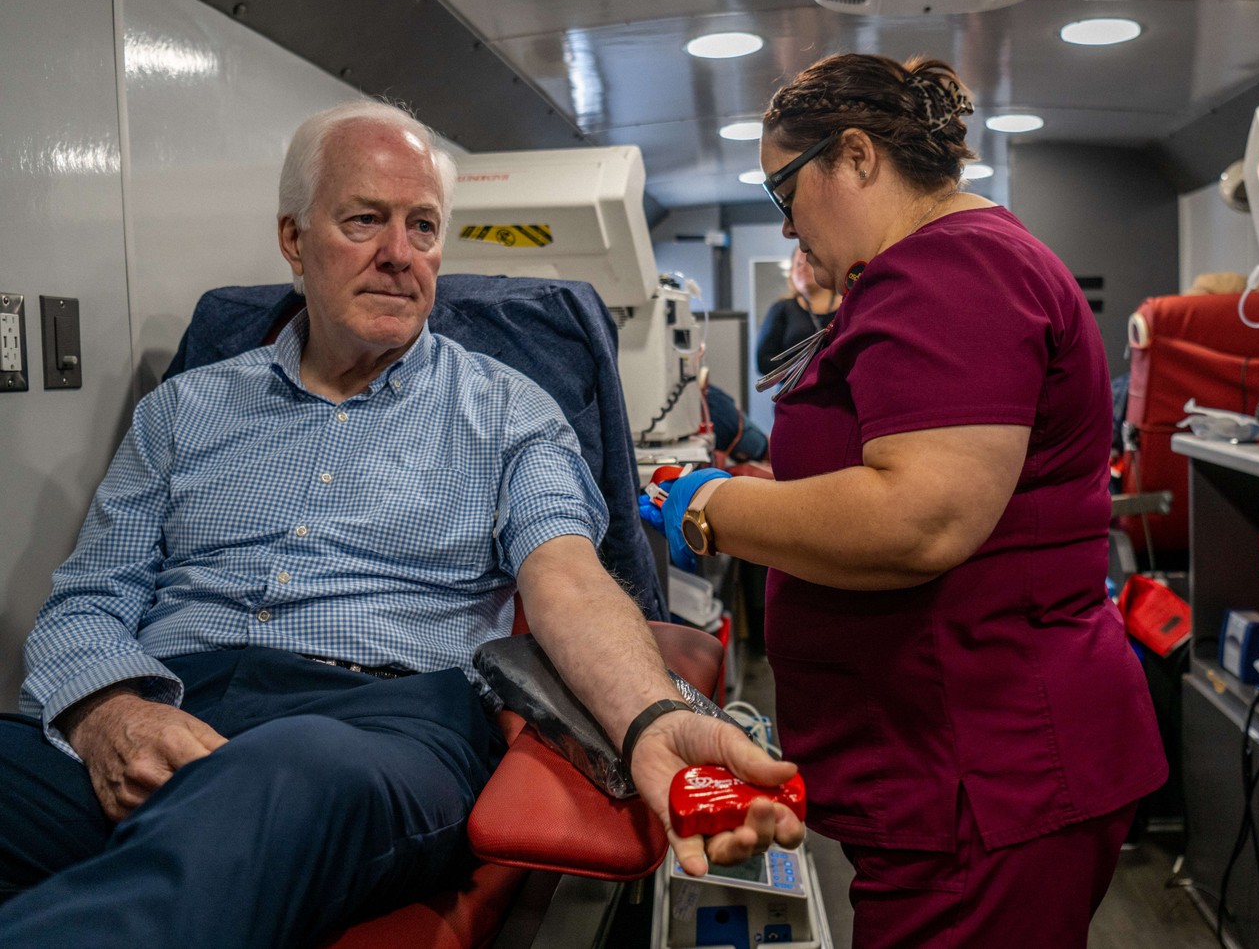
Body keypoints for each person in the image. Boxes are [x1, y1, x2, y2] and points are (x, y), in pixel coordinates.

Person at [0, 100, 802, 949]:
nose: (400, 254)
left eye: (422, 226)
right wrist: (109, 716)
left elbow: (566, 576)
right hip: (172, 704)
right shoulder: (183, 412)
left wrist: (647, 715)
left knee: (285, 775)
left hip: (373, 729)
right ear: (292, 240)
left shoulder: (506, 411)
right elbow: (88, 601)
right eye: (364, 220)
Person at [658, 55, 1167, 948]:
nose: (788, 227)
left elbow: (919, 518)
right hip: (956, 758)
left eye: (786, 190)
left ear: (854, 156)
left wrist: (710, 508)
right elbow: (900, 469)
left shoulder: (954, 270)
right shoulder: (935, 269)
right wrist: (764, 489)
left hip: (988, 763)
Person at [755, 246, 840, 376]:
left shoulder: (848, 304)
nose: (802, 268)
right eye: (798, 264)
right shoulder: (782, 309)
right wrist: (804, 375)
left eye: (808, 262)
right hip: (795, 392)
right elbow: (763, 361)